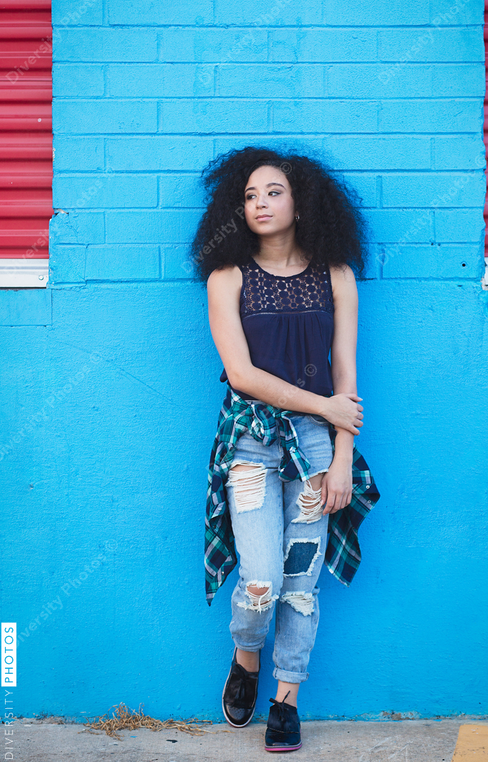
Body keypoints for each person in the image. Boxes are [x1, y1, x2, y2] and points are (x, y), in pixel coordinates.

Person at [191, 147, 379, 753]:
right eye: (249, 196)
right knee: (261, 578)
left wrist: (343, 457)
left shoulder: (337, 276)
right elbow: (241, 374)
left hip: (319, 445)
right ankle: (246, 659)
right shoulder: (228, 277)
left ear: (301, 200)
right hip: (250, 437)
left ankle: (285, 700)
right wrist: (322, 404)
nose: (261, 204)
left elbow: (344, 376)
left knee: (301, 581)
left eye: (273, 192)